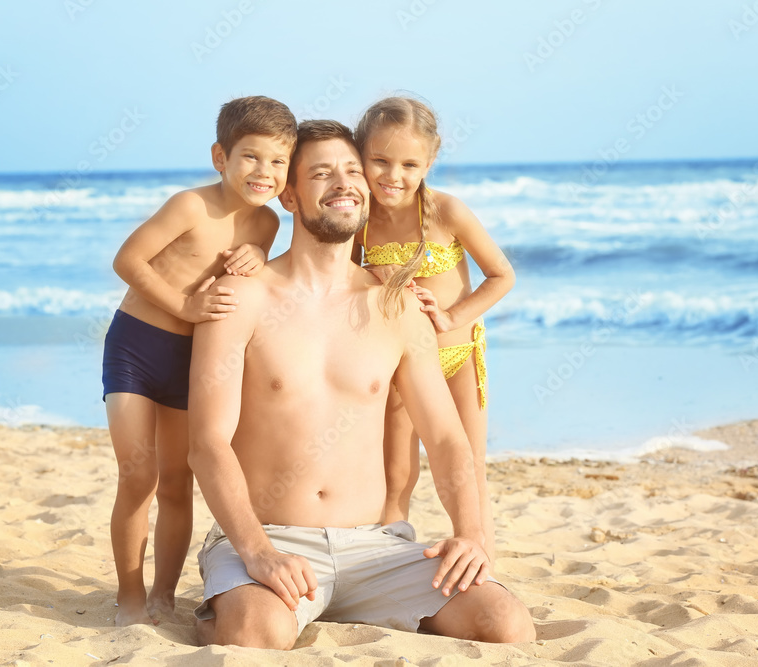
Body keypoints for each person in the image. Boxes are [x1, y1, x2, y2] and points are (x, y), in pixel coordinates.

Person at [187, 119, 535, 649]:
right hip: (271, 539)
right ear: (289, 194)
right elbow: (207, 442)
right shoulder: (243, 297)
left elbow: (444, 439)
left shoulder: (397, 305)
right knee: (256, 634)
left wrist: (472, 534)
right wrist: (257, 550)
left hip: (378, 547)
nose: (343, 183)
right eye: (322, 173)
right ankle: (226, 597)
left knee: (504, 624)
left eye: (352, 171)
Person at [101, 95, 296, 626]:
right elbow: (128, 260)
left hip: (194, 361)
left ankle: (164, 593)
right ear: (220, 157)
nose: (265, 171)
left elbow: (261, 275)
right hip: (137, 346)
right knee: (136, 475)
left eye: (278, 161)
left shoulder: (269, 225)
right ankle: (131, 594)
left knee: (177, 481)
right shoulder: (191, 205)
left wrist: (258, 258)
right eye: (251, 157)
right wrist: (185, 305)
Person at [352, 97, 515, 564]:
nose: (392, 175)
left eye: (408, 164)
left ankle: (480, 557)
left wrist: (451, 317)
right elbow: (337, 281)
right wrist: (375, 277)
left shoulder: (447, 211)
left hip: (458, 356)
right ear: (361, 154)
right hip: (401, 365)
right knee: (396, 470)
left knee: (467, 467)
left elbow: (502, 275)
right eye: (379, 161)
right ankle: (383, 557)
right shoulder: (360, 222)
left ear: (431, 159)